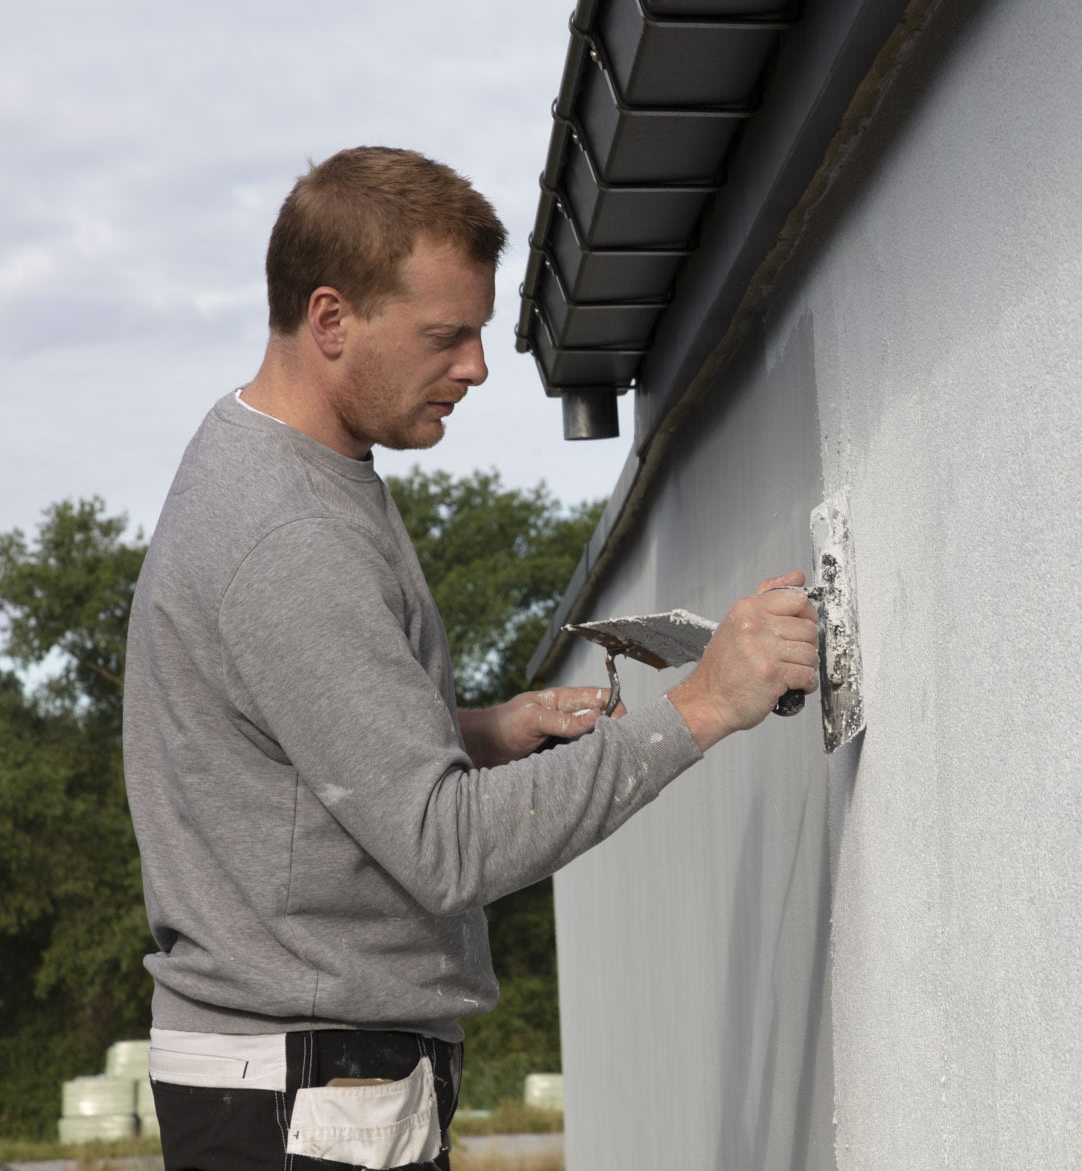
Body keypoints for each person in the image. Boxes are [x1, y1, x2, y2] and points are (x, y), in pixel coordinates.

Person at [120, 147, 818, 1171]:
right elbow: (445, 849)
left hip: (306, 1079)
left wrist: (486, 731)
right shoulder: (285, 536)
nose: (479, 366)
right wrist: (702, 705)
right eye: (446, 336)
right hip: (300, 1101)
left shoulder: (294, 461)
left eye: (480, 331)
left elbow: (304, 753)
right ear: (330, 320)